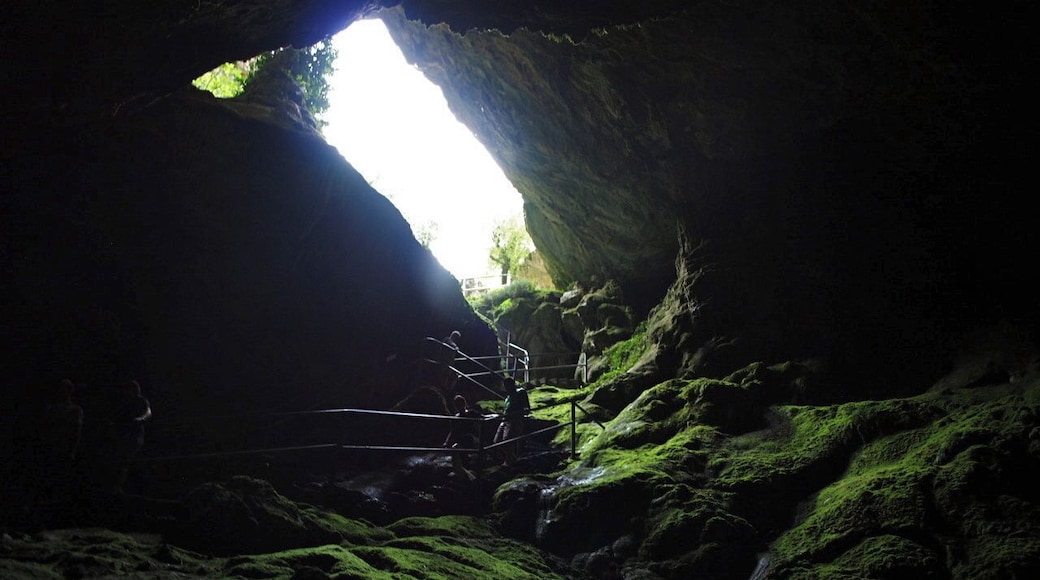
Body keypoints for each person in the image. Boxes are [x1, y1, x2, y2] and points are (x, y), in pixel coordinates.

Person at [442, 394, 484, 480]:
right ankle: (462, 471)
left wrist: (494, 416)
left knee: (465, 440)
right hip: (461, 439)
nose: (459, 406)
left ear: (464, 403)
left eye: (460, 404)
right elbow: (452, 431)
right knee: (457, 446)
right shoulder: (456, 417)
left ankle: (465, 472)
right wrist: (446, 442)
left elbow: (483, 418)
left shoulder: (471, 413)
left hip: (472, 438)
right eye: (457, 405)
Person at [493, 378, 530, 466]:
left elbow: (526, 407)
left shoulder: (520, 393)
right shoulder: (508, 397)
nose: (506, 388)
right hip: (505, 420)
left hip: (514, 420)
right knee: (496, 441)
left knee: (507, 441)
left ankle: (509, 460)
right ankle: (512, 457)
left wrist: (524, 411)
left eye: (507, 386)